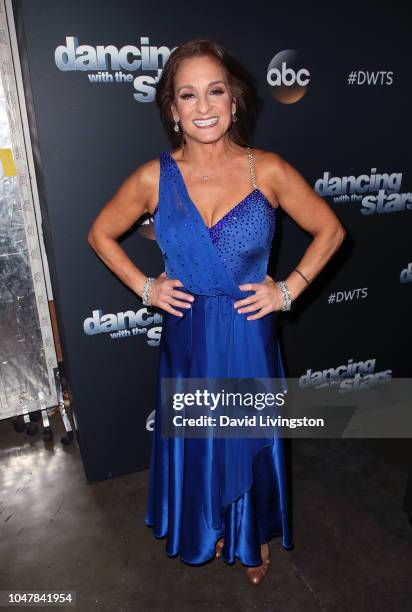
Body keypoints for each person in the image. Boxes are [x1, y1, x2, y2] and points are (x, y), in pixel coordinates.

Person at [88, 38, 346, 586]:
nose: (204, 106)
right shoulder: (152, 178)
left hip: (250, 334)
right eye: (188, 95)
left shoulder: (267, 171)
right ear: (173, 110)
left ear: (234, 100)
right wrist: (145, 286)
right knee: (202, 438)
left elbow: (331, 229)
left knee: (244, 435)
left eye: (215, 91)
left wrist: (289, 288)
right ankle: (210, 525)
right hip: (188, 335)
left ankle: (250, 537)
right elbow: (100, 233)